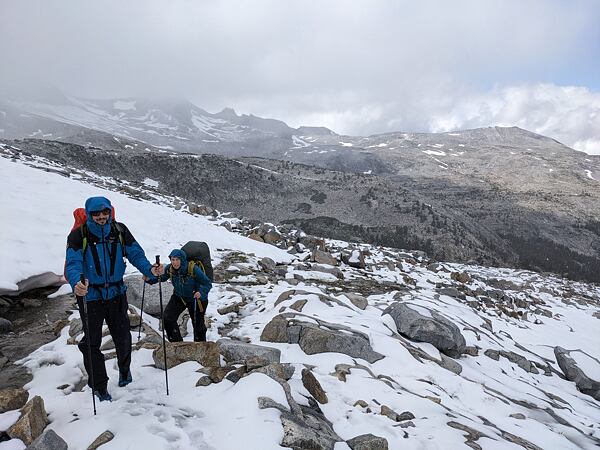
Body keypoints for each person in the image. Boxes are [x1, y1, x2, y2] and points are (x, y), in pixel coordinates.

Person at [66, 196, 163, 401]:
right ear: (90, 214)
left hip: (117, 294)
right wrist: (77, 283)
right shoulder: (78, 235)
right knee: (91, 343)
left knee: (123, 337)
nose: (101, 217)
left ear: (110, 211)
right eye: (96, 214)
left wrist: (150, 270)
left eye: (105, 212)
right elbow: (72, 263)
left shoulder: (119, 230)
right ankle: (99, 386)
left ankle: (124, 370)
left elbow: (135, 254)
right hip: (91, 297)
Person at [146, 249, 212, 342]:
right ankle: (177, 345)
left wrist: (201, 292)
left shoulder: (193, 269)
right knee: (168, 318)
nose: (175, 262)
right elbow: (161, 278)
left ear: (182, 259)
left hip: (196, 298)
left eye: (177, 260)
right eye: (173, 260)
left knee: (198, 326)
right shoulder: (170, 269)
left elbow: (207, 283)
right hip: (179, 296)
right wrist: (148, 279)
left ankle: (200, 349)